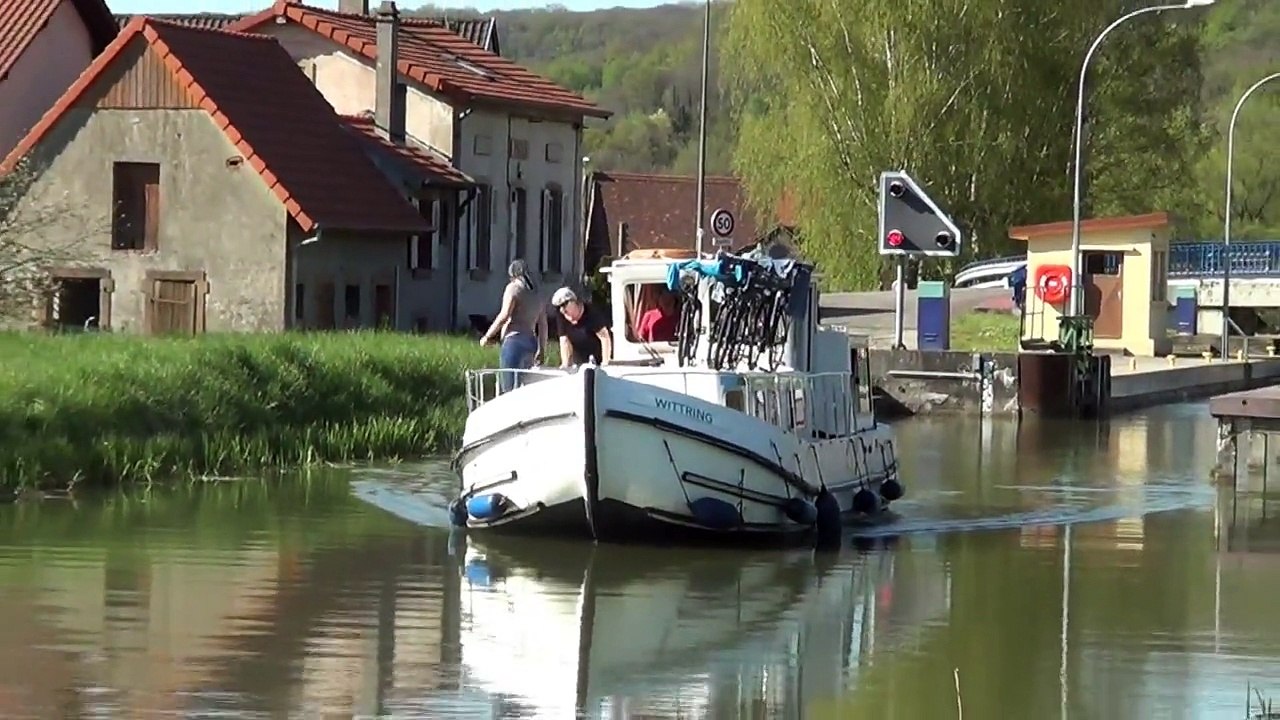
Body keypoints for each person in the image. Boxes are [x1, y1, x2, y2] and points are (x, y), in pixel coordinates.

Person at [480, 259, 547, 392]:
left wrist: (487, 336)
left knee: (508, 386)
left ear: (513, 275)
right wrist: (542, 349)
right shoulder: (537, 293)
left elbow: (504, 315)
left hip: (514, 341)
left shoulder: (514, 289)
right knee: (525, 387)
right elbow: (543, 324)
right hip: (531, 342)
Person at [551, 286, 612, 367]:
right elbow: (564, 341)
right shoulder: (561, 316)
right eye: (558, 307)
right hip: (579, 360)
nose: (562, 310)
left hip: (598, 357)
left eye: (564, 305)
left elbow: (604, 337)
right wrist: (565, 365)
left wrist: (605, 362)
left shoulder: (591, 313)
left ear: (573, 301)